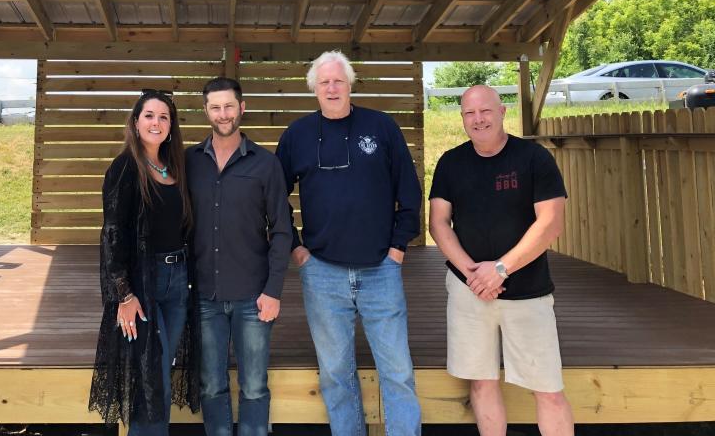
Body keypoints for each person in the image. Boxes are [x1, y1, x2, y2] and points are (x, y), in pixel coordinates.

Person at [276, 50, 422, 436]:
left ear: (350, 84)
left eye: (338, 80)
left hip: (380, 270)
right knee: (336, 375)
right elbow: (273, 198)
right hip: (322, 272)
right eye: (324, 82)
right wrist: (296, 248)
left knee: (398, 372)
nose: (332, 87)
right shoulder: (297, 136)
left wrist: (397, 248)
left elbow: (409, 190)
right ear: (314, 89)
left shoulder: (381, 127)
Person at [428, 85, 574, 436]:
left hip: (527, 292)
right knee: (481, 383)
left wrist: (501, 269)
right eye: (469, 113)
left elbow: (551, 222)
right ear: (462, 117)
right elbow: (438, 223)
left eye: (485, 111)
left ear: (502, 111)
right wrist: (473, 274)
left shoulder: (534, 159)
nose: (478, 119)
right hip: (470, 292)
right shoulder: (451, 162)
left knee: (548, 389)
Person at [89, 90, 200, 435]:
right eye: (149, 115)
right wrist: (124, 294)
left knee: (159, 370)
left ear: (171, 126)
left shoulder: (175, 165)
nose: (156, 122)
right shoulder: (125, 168)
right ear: (136, 123)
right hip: (143, 285)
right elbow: (112, 235)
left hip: (178, 281)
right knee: (151, 379)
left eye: (163, 117)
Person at [186, 77, 292, 436]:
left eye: (229, 106)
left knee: (254, 388)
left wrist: (274, 290)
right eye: (215, 107)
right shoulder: (189, 163)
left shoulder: (266, 164)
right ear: (206, 112)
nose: (223, 114)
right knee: (211, 387)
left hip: (253, 296)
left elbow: (282, 230)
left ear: (242, 108)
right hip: (204, 296)